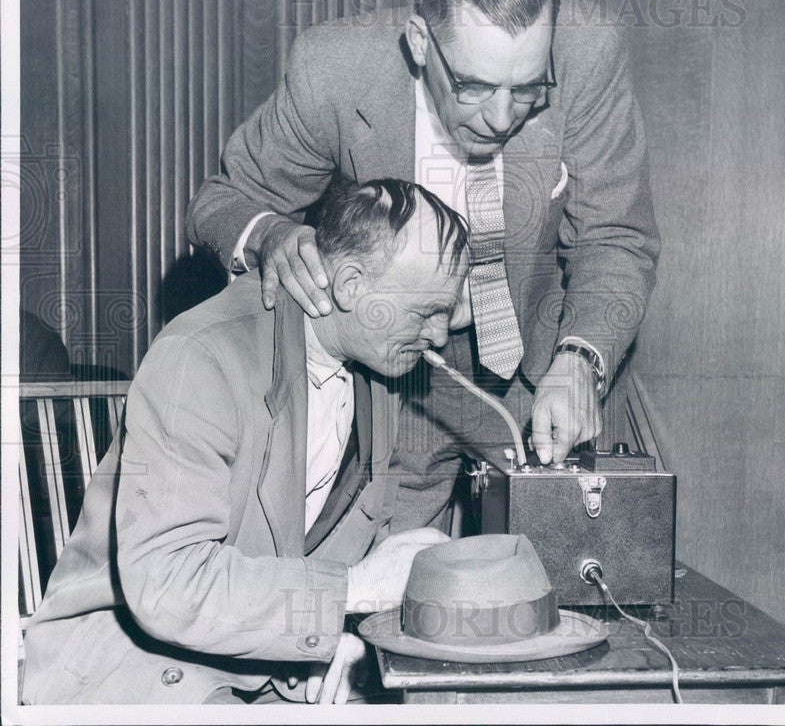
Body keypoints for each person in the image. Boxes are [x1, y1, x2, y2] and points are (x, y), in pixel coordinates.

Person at [187, 0, 660, 531]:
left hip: (546, 374)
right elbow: (222, 201)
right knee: (388, 599)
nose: (500, 118)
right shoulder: (334, 71)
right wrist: (270, 236)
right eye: (473, 86)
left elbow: (615, 236)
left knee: (565, 596)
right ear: (419, 43)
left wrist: (581, 358)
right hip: (398, 387)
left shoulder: (588, 57)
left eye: (528, 91)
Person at [21, 179, 469, 704]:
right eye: (425, 313)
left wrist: (345, 636)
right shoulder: (202, 355)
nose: (441, 335)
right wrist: (355, 589)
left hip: (266, 664)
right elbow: (168, 584)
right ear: (349, 286)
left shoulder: (381, 369)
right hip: (134, 668)